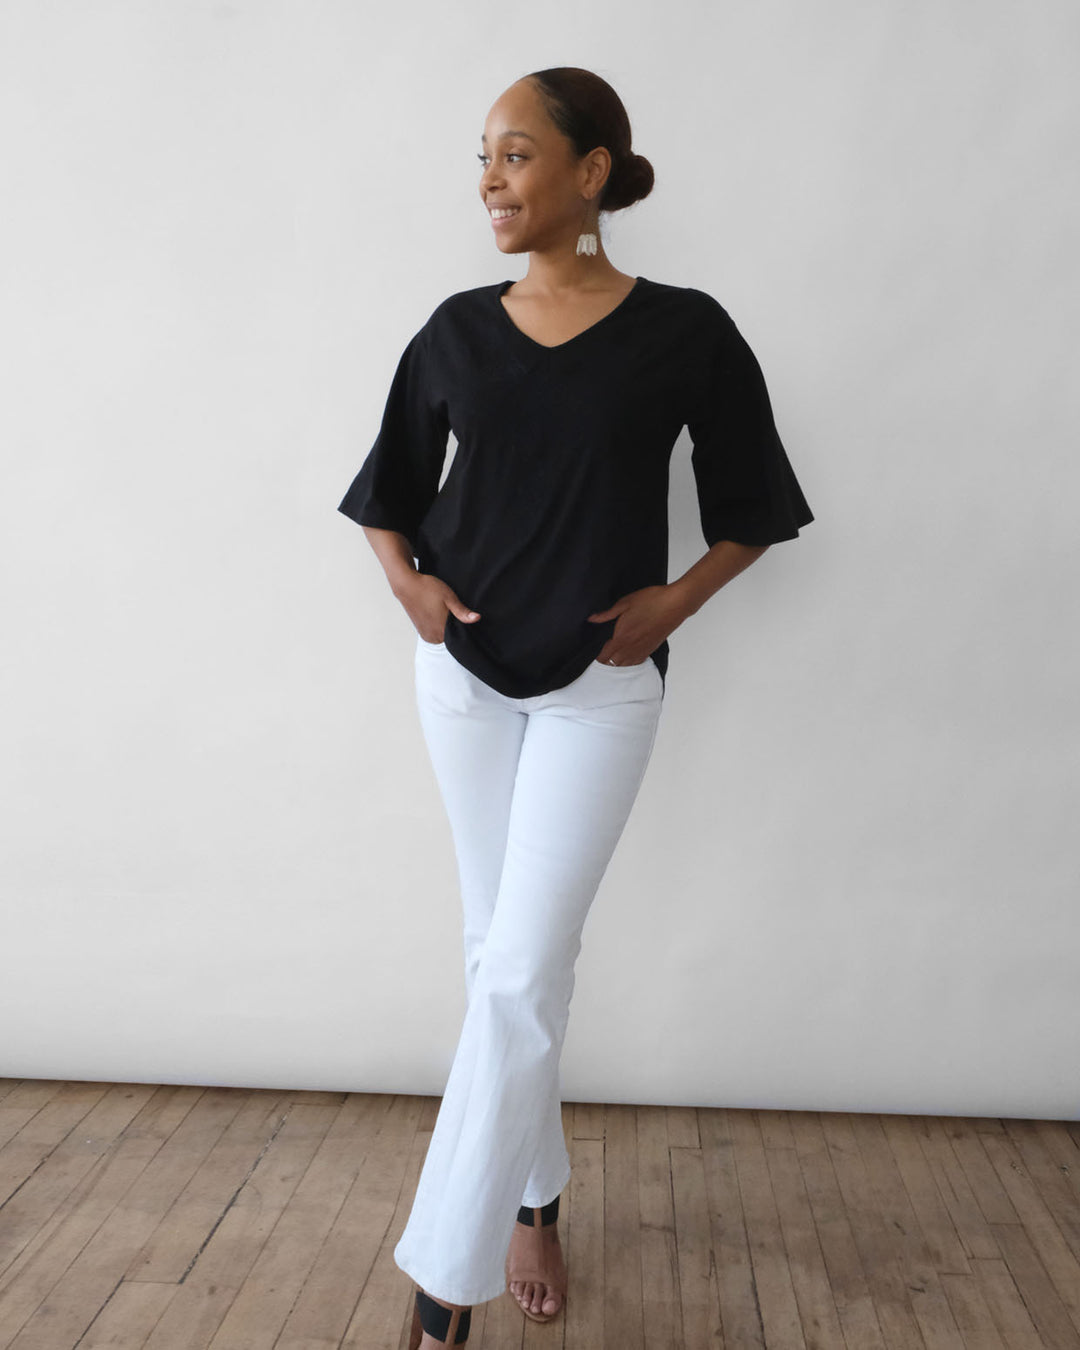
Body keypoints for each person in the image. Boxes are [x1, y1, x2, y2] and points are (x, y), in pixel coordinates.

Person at [337, 66, 814, 1350]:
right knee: (498, 959)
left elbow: (756, 505)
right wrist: (410, 588)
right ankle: (533, 1202)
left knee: (520, 971)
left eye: (516, 154)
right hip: (464, 679)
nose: (490, 181)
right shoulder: (456, 329)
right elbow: (387, 495)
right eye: (483, 158)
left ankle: (441, 1295)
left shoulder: (687, 331)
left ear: (591, 171)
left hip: (602, 687)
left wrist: (678, 603)